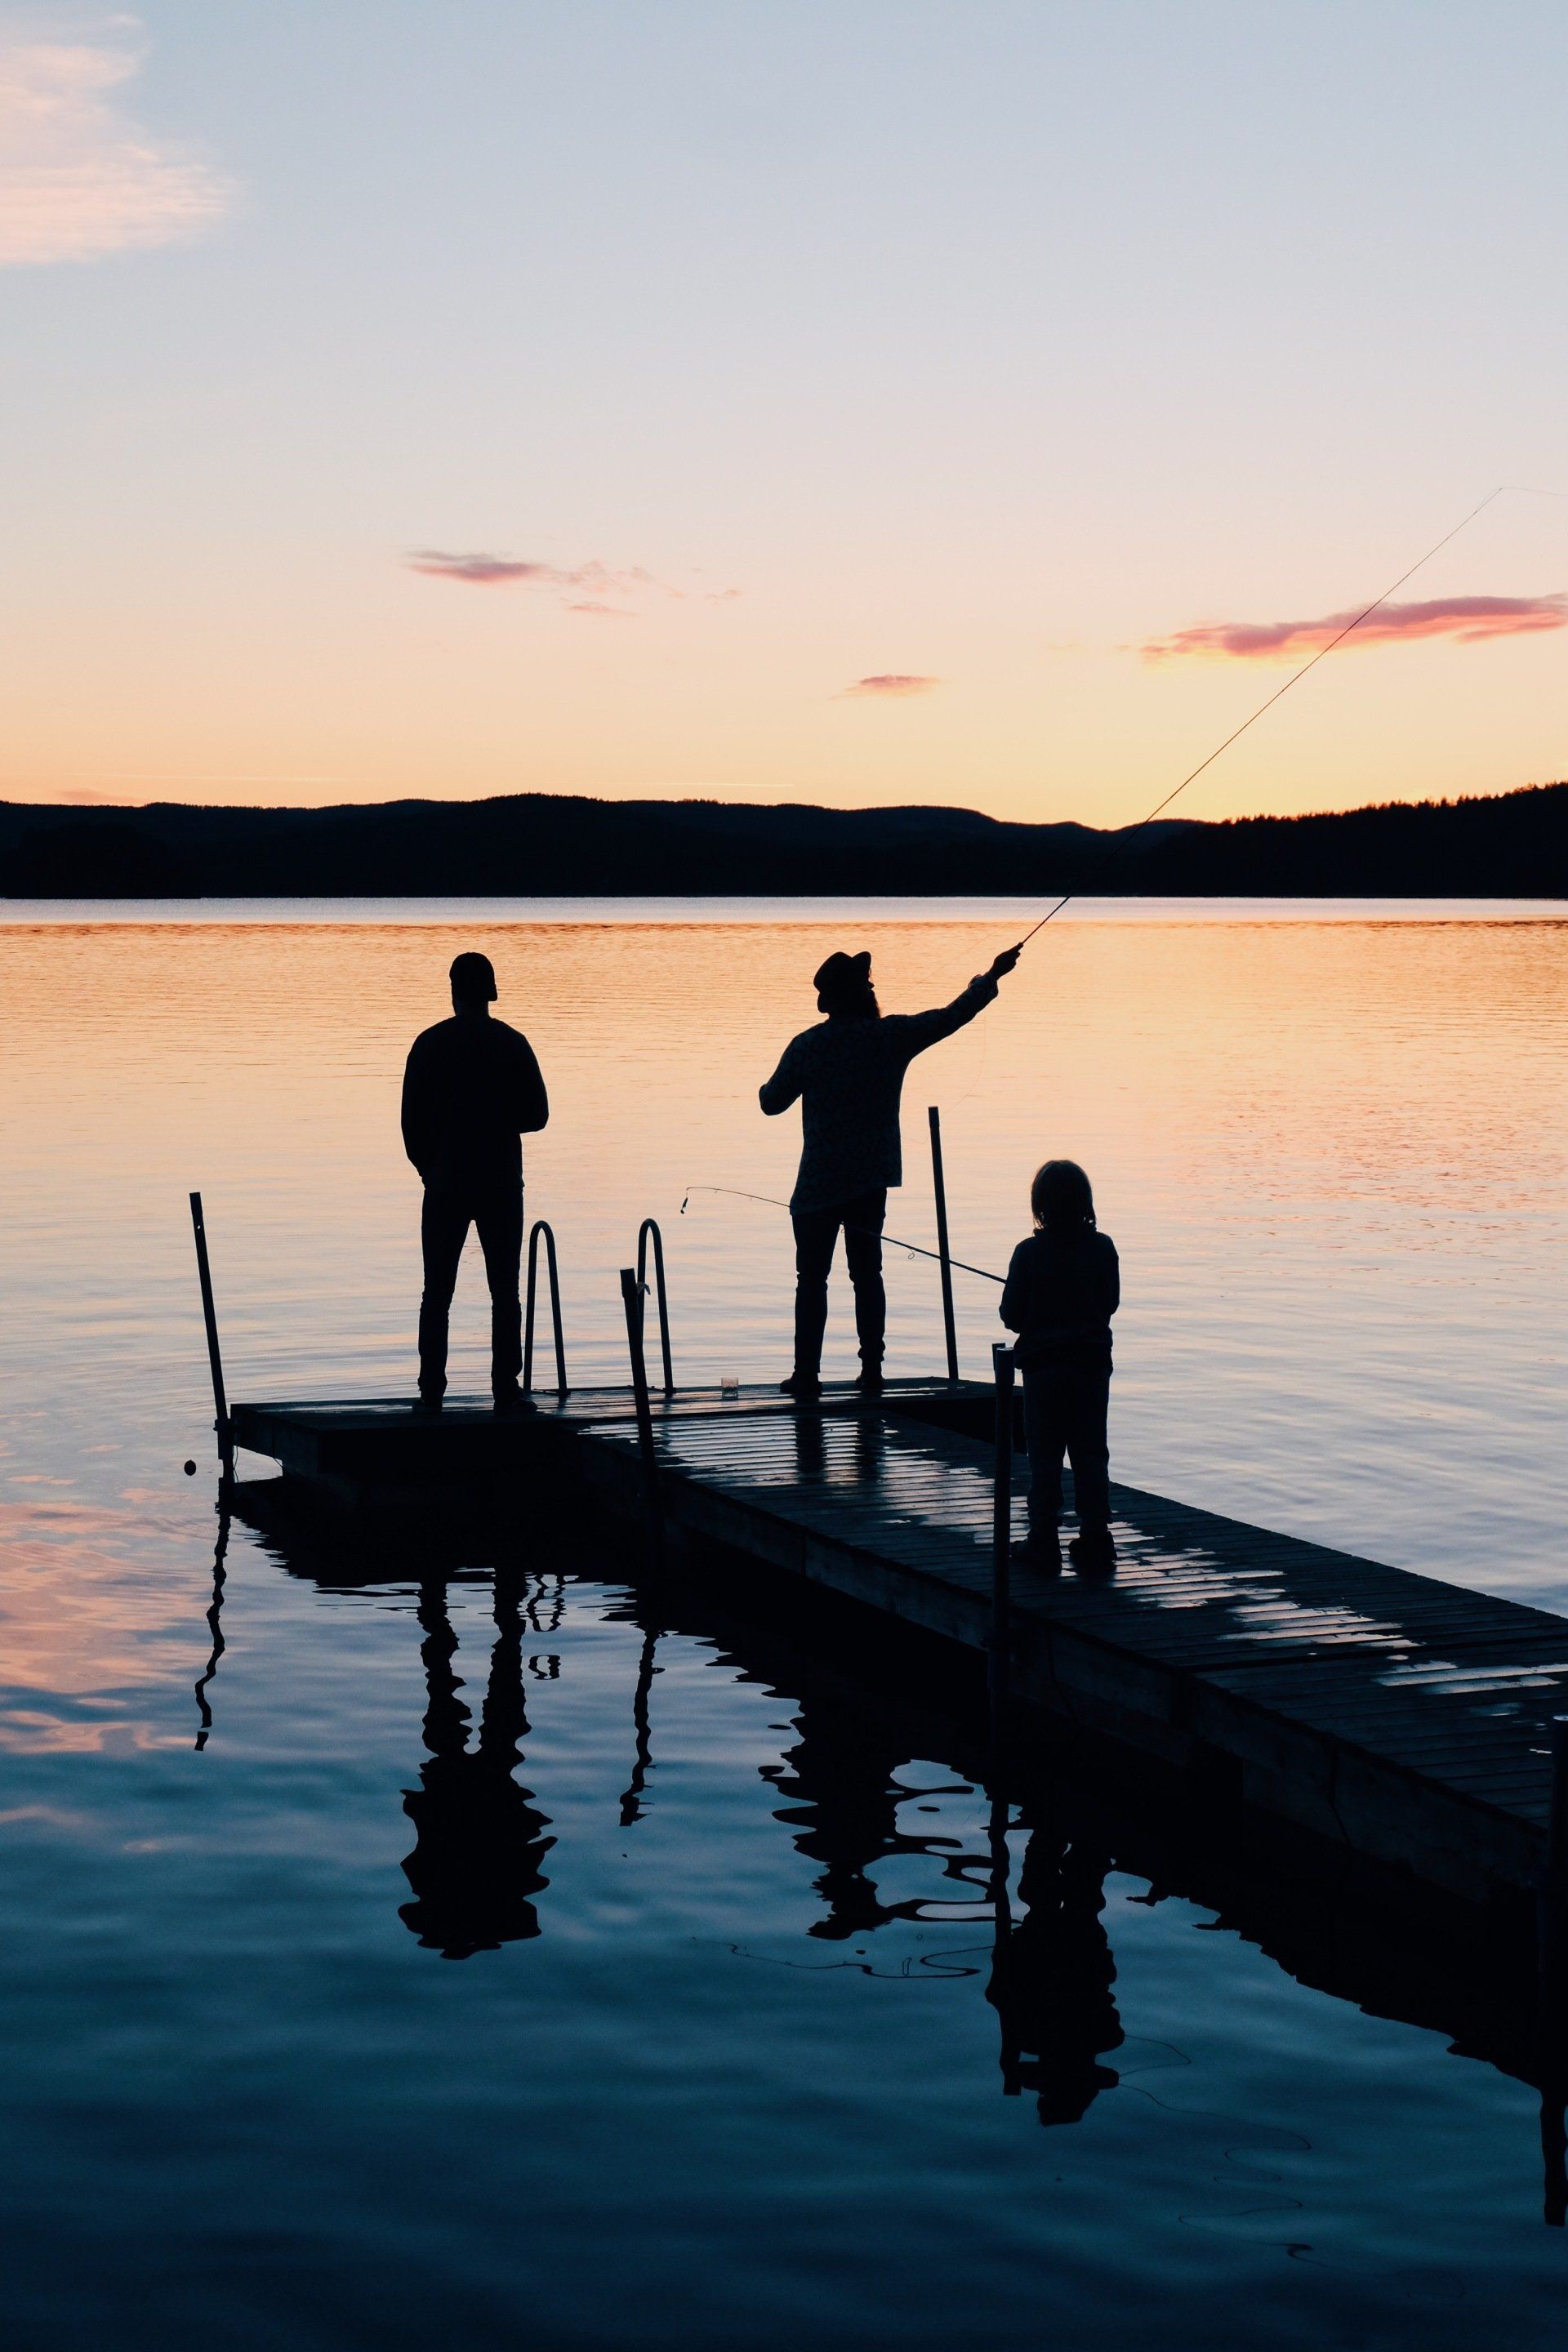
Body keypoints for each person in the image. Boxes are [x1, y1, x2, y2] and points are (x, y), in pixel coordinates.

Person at [760, 943, 1018, 1398]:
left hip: (817, 1187)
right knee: (867, 1275)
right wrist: (992, 976)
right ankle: (872, 1370)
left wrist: (780, 1079)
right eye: (870, 983)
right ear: (863, 994)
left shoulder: (807, 1046)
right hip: (868, 1182)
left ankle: (806, 1375)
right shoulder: (889, 1037)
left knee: (811, 1280)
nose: (875, 987)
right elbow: (952, 1015)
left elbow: (770, 1102)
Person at [401, 951, 549, 1412]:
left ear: (453, 991)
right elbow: (539, 1115)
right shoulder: (512, 1043)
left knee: (436, 1292)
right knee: (504, 1287)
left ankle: (431, 1393)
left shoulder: (428, 1044)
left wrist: (431, 1168)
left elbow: (411, 1124)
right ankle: (506, 1387)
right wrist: (499, 1123)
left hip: (444, 1184)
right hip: (501, 1182)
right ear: (491, 991)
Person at [1000, 1159, 1119, 1572]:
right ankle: (1096, 1538)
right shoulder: (1103, 1248)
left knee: (1044, 1456)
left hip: (1044, 1370)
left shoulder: (1028, 1253)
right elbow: (1110, 1305)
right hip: (1090, 1369)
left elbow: (1011, 1316)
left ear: (1041, 1206)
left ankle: (1043, 1539)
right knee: (1090, 1453)